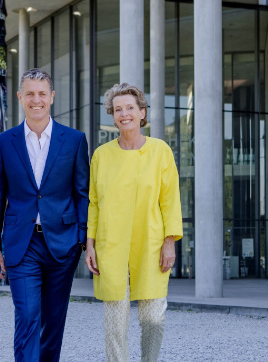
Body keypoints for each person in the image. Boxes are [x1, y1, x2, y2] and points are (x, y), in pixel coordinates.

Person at [0, 68, 89, 362]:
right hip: (23, 244)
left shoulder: (74, 140)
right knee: (28, 317)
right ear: (20, 97)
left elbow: (82, 192)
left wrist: (82, 239)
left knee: (53, 324)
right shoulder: (6, 141)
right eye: (29, 93)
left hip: (63, 243)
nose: (36, 100)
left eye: (42, 93)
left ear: (52, 97)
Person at [85, 83, 183, 362]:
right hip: (110, 245)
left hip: (151, 244)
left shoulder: (160, 151)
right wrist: (89, 245)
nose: (124, 114)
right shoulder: (101, 156)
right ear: (112, 116)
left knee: (153, 318)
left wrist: (169, 242)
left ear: (142, 113)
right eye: (118, 109)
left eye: (130, 108)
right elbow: (93, 203)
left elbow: (170, 200)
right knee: (115, 324)